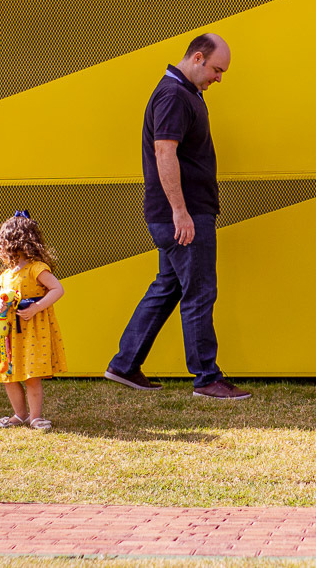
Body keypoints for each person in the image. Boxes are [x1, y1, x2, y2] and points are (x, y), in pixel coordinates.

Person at [106, 33, 251, 400]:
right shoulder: (174, 95)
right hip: (183, 216)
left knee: (168, 287)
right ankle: (206, 377)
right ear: (198, 58)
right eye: (217, 69)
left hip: (177, 214)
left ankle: (124, 364)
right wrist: (181, 212)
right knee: (200, 291)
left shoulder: (185, 93)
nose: (219, 78)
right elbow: (164, 153)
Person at [0, 210, 66, 431]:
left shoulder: (36, 268)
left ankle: (35, 417)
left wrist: (37, 307)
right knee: (8, 375)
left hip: (32, 330)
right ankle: (20, 415)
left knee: (32, 375)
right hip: (8, 332)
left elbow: (57, 289)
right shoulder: (7, 274)